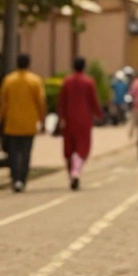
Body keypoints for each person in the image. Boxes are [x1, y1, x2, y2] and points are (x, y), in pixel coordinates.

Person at [0, 54, 45, 192]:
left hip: (12, 123)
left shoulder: (9, 80)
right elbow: (41, 102)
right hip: (28, 124)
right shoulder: (35, 81)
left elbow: (3, 103)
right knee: (26, 154)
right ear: (29, 63)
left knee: (13, 154)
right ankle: (22, 180)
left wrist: (1, 119)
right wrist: (42, 120)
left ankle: (15, 179)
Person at [56, 57, 101, 191]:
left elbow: (61, 102)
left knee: (69, 148)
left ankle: (72, 173)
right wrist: (99, 114)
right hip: (84, 121)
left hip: (69, 120)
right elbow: (94, 101)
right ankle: (76, 172)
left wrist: (60, 118)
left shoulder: (67, 82)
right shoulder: (89, 82)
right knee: (82, 148)